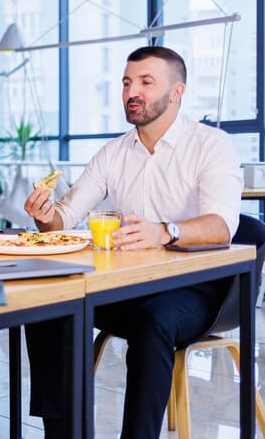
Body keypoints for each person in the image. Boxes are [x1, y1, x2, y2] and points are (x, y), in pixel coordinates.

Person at [23, 46, 243, 439]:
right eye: (127, 82)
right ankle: (63, 432)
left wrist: (165, 230)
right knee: (49, 304)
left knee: (154, 319)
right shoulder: (114, 152)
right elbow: (64, 215)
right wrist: (45, 216)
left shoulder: (212, 144)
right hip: (130, 285)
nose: (131, 92)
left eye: (145, 82)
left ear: (177, 92)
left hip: (200, 289)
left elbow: (222, 226)